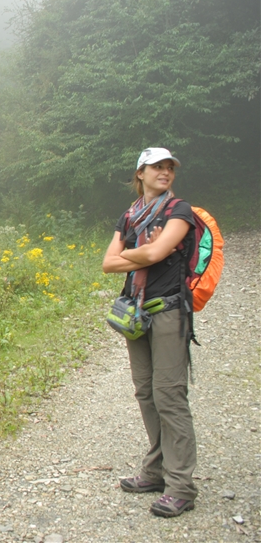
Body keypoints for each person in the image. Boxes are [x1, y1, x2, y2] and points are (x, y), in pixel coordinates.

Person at [102, 147, 198, 518]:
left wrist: (143, 252)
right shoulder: (129, 216)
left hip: (171, 311)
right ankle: (156, 472)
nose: (165, 172)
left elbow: (155, 255)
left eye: (170, 167)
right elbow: (107, 264)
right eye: (157, 166)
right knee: (146, 392)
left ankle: (181, 486)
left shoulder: (180, 210)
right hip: (136, 314)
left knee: (169, 396)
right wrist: (145, 250)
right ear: (140, 172)